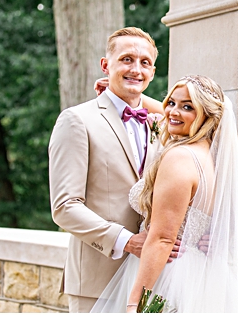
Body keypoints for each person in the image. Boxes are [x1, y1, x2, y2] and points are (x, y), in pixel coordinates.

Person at [89, 76, 238, 313]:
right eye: (171, 102)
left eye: (188, 106)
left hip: (168, 274)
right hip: (205, 275)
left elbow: (162, 239)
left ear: (208, 116)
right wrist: (119, 92)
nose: (172, 112)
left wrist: (134, 305)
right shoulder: (214, 159)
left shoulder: (180, 158)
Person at [49, 29, 162, 312]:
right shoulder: (77, 120)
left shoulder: (161, 125)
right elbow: (64, 207)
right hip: (96, 281)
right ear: (105, 65)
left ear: (153, 71)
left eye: (145, 62)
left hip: (152, 282)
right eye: (126, 59)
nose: (136, 69)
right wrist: (127, 242)